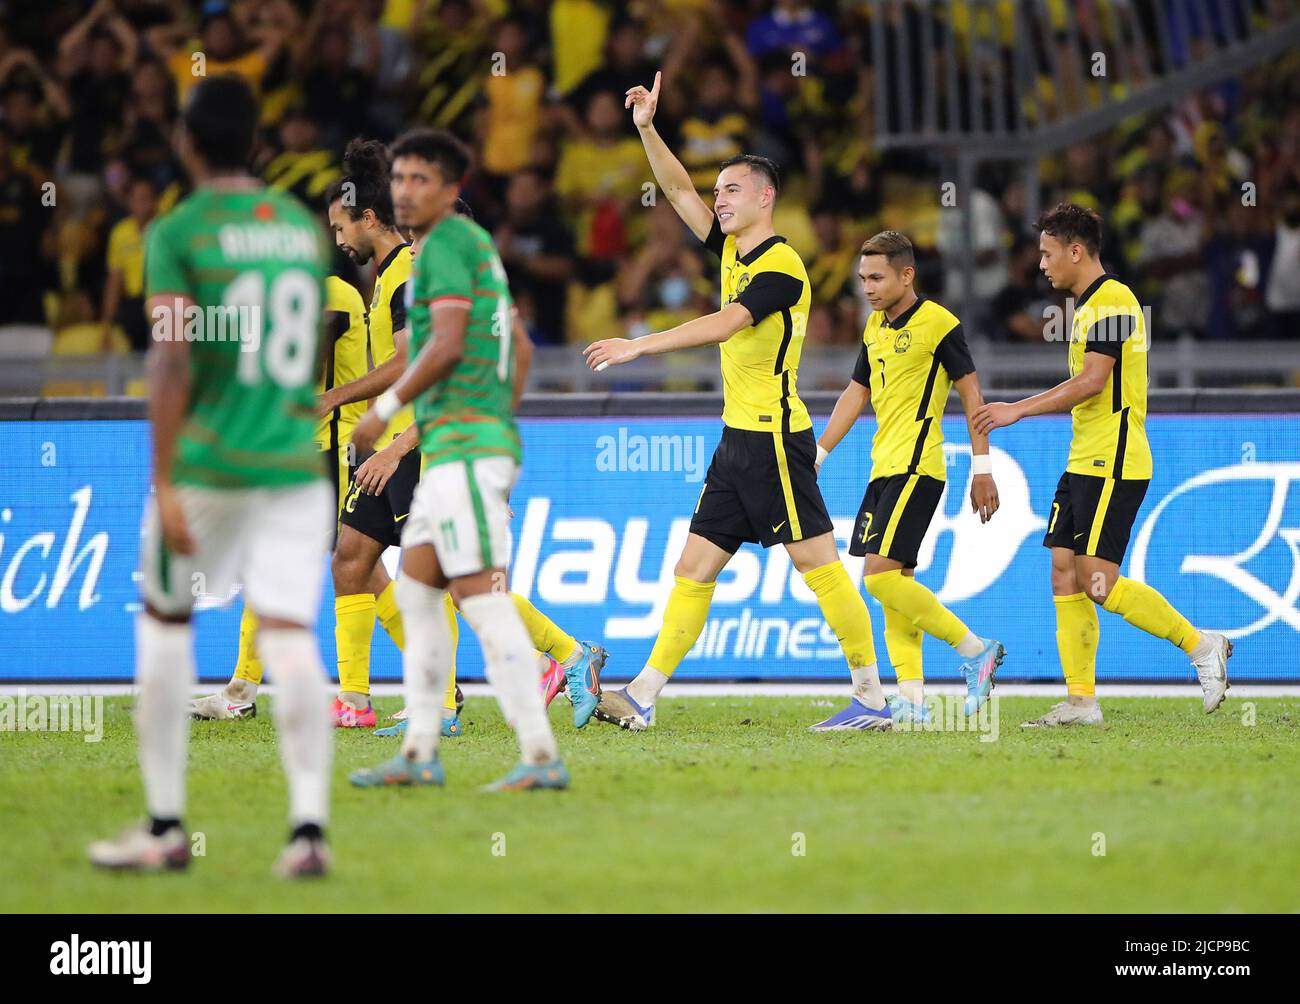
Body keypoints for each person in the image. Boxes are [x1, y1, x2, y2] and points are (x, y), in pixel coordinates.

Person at [584, 71, 890, 732]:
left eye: (730, 190)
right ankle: (641, 695)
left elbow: (725, 324)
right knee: (693, 567)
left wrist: (640, 347)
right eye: (717, 190)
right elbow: (673, 188)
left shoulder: (780, 268)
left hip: (776, 441)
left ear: (765, 197)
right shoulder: (732, 251)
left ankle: (871, 697)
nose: (717, 200)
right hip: (737, 441)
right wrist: (645, 127)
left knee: (820, 569)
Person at [89, 76, 334, 876]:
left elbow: (170, 357)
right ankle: (307, 833)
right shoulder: (300, 229)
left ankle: (164, 826)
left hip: (210, 461)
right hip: (297, 464)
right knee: (292, 637)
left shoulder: (179, 229)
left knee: (165, 621)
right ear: (258, 146)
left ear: (187, 143)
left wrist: (162, 482)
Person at [348, 128, 575, 791]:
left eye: (421, 179)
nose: (407, 191)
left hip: (464, 453)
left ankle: (540, 755)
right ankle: (420, 753)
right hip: (462, 447)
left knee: (480, 599)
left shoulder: (443, 249)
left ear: (450, 190)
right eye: (400, 179)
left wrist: (385, 411)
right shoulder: (474, 250)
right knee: (419, 592)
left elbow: (443, 346)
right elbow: (523, 347)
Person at [973, 204, 1232, 726]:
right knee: (1063, 572)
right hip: (1084, 458)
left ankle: (1202, 645)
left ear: (1075, 251)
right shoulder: (1088, 305)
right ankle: (1081, 701)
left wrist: (1015, 409)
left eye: (1047, 254)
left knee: (1098, 581)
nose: (1041, 265)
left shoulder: (1113, 299)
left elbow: (1093, 382)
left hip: (1113, 460)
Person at [814, 230, 1005, 725]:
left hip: (919, 468)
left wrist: (983, 469)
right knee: (896, 581)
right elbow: (855, 395)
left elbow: (971, 395)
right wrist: (819, 452)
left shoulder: (939, 323)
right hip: (884, 469)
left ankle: (976, 649)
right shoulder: (874, 328)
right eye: (862, 279)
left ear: (907, 274)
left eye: (877, 277)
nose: (868, 288)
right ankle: (914, 700)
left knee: (877, 580)